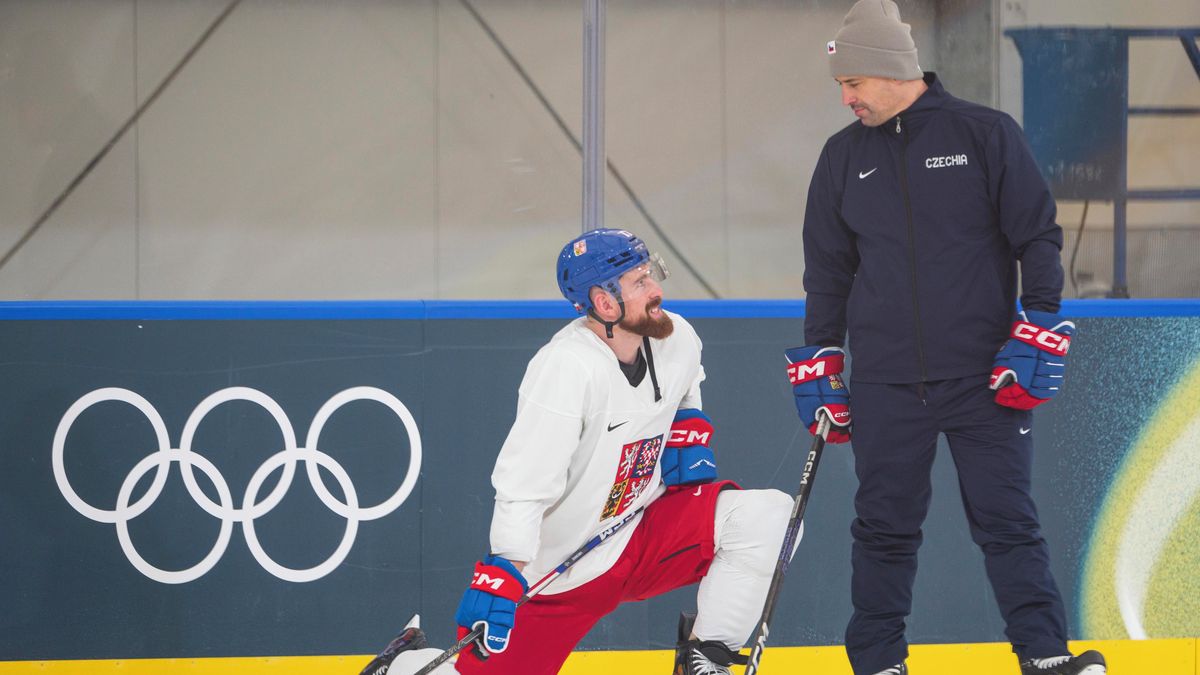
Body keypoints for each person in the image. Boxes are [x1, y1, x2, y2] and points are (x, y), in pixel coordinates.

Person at [785, 2, 1107, 675]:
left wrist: (1038, 324)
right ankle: (879, 661)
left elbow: (1037, 236)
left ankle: (1045, 655)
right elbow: (828, 271)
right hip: (885, 381)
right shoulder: (842, 157)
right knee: (883, 528)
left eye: (853, 83)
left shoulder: (984, 134)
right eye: (840, 86)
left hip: (986, 375)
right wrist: (822, 356)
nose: (846, 98)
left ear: (891, 69)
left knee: (1008, 522)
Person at [385, 228, 796, 675]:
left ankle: (706, 659)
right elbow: (525, 484)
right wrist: (505, 568)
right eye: (639, 282)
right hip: (563, 573)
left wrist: (686, 422)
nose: (656, 290)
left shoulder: (678, 337)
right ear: (605, 303)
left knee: (768, 517)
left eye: (651, 274)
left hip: (640, 531)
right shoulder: (566, 367)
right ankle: (406, 661)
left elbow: (687, 381)